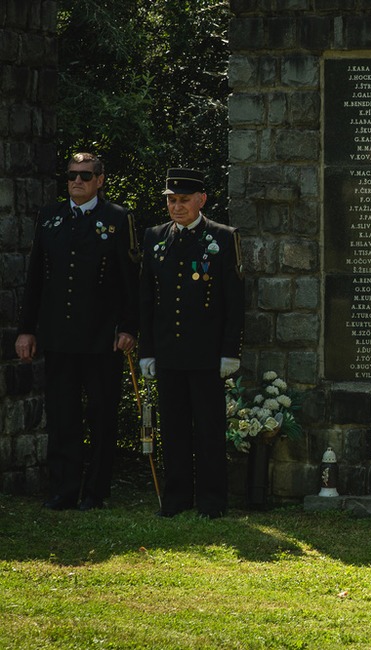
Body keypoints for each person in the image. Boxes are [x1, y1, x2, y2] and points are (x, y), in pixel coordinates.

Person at [16, 152, 140, 511]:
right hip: (59, 335)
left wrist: (129, 327)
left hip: (102, 338)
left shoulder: (118, 219)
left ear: (100, 179)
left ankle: (96, 491)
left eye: (86, 175)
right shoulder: (50, 218)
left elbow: (130, 280)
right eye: (71, 175)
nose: (77, 182)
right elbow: (36, 277)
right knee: (62, 414)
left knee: (102, 414)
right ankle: (63, 489)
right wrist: (27, 329)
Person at [138, 168, 244, 519]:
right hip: (169, 351)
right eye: (171, 200)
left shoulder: (222, 238)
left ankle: (212, 500)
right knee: (174, 427)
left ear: (201, 200)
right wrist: (147, 351)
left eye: (183, 200)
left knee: (209, 430)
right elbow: (147, 301)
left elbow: (234, 301)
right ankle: (177, 497)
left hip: (206, 354)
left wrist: (230, 351)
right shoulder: (155, 237)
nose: (176, 206)